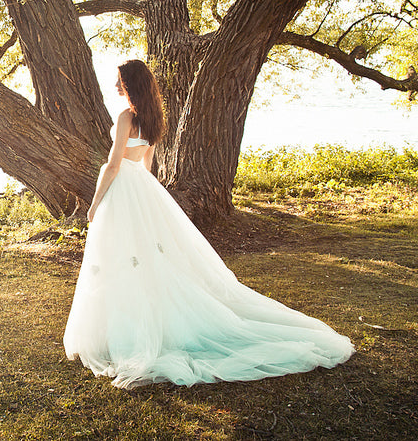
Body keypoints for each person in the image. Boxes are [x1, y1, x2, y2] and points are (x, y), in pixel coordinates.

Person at [63, 60, 354, 388]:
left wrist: (95, 203)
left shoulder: (126, 117)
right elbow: (148, 165)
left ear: (130, 85)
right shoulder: (152, 118)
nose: (115, 87)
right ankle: (138, 326)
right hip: (143, 189)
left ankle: (126, 332)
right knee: (145, 259)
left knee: (119, 259)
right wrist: (147, 200)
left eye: (119, 82)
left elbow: (113, 165)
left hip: (123, 190)